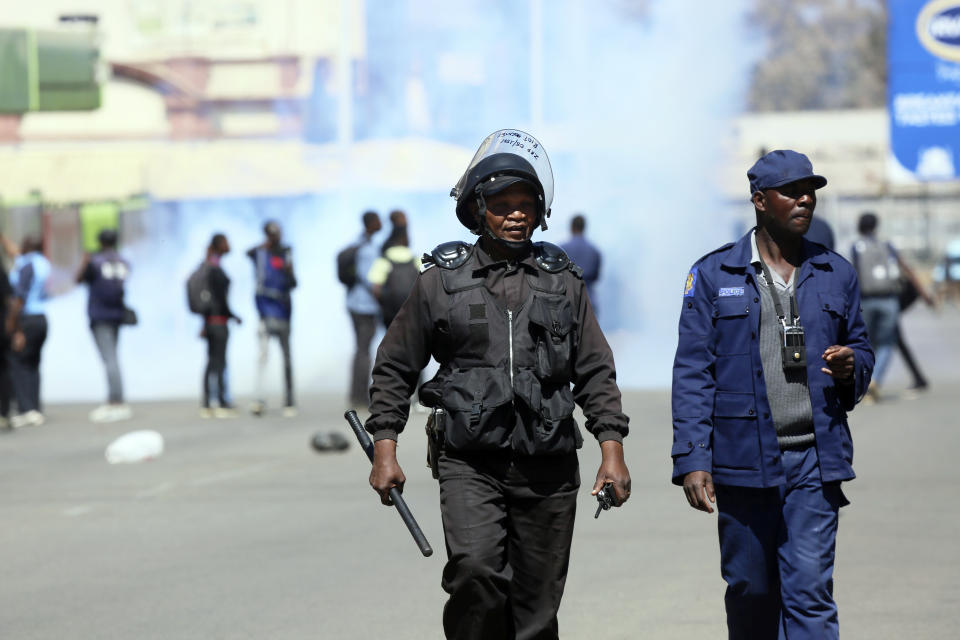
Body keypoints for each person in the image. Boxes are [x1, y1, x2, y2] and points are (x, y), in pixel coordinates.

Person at [365, 129, 631, 640]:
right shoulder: (441, 281)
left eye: (526, 204)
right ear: (477, 211)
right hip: (471, 462)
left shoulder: (562, 281)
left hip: (549, 466)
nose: (516, 214)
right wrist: (385, 447)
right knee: (476, 575)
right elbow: (395, 366)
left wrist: (611, 449)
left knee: (536, 607)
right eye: (502, 205)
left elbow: (595, 369)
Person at [671, 149, 874, 640]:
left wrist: (852, 367)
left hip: (814, 462)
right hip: (743, 465)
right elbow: (694, 371)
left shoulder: (836, 273)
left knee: (810, 593)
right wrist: (692, 458)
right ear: (760, 201)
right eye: (792, 191)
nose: (806, 199)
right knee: (751, 591)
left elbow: (862, 348)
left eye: (811, 191)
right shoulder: (713, 276)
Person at [851, 212, 928, 400]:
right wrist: (925, 295)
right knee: (887, 343)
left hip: (866, 300)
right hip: (890, 300)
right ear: (876, 226)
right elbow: (906, 269)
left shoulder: (856, 247)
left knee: (867, 343)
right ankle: (876, 380)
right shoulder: (887, 245)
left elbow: (853, 274)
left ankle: (866, 382)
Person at [76, 229, 133, 423]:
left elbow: (78, 280)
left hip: (100, 315)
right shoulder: (123, 261)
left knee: (109, 359)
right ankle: (116, 397)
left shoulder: (95, 262)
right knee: (113, 357)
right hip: (117, 315)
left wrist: (84, 261)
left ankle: (115, 400)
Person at [247, 220, 297, 417]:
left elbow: (294, 283)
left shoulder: (286, 255)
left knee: (286, 358)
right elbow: (248, 253)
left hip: (283, 311)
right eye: (273, 234)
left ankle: (289, 399)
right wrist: (265, 245)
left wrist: (289, 270)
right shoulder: (259, 253)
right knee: (262, 357)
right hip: (264, 312)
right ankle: (259, 398)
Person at [3, 234, 51, 428]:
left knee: (18, 362)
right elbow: (13, 251)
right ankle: (34, 407)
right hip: (41, 318)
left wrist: (13, 325)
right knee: (33, 364)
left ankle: (26, 408)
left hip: (26, 318)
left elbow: (20, 298)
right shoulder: (43, 263)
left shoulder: (27, 266)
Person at [200, 233, 241, 418]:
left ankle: (215, 400)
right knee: (216, 362)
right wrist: (231, 315)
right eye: (226, 242)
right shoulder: (213, 267)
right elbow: (218, 299)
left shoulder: (211, 265)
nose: (229, 245)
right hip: (217, 322)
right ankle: (213, 402)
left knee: (216, 362)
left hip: (214, 321)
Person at [346, 210, 382, 408]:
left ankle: (356, 394)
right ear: (371, 223)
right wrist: (382, 295)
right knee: (363, 351)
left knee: (361, 350)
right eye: (377, 221)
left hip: (355, 303)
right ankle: (359, 396)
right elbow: (369, 279)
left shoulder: (360, 243)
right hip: (364, 305)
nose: (380, 223)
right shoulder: (367, 249)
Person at [368, 219, 421, 328]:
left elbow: (375, 289)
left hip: (391, 316)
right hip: (413, 312)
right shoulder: (416, 259)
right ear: (405, 239)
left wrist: (385, 307)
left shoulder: (384, 260)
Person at [560, 213, 602, 308]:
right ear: (584, 228)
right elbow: (596, 277)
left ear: (571, 227)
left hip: (566, 301)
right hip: (589, 301)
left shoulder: (562, 249)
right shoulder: (595, 251)